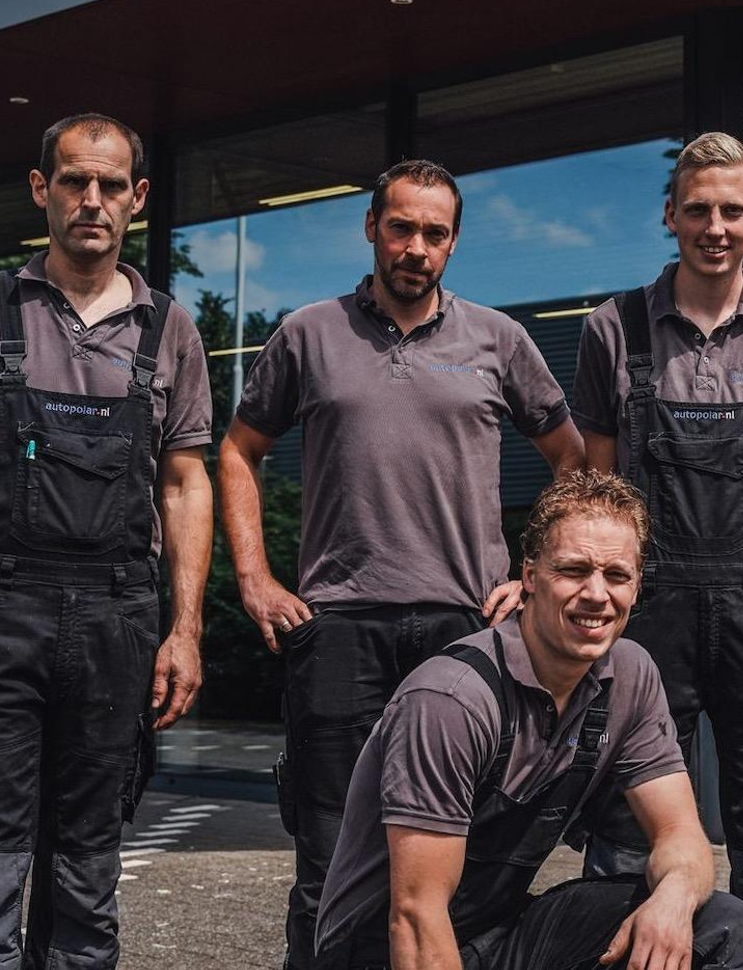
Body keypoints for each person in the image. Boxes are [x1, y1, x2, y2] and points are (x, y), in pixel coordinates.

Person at [219, 158, 585, 969]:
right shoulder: (309, 333)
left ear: (453, 243)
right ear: (372, 228)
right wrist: (254, 578)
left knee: (459, 863)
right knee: (328, 864)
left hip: (466, 631)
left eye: (434, 233)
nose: (416, 247)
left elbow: (572, 460)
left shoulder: (498, 340)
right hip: (338, 628)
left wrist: (531, 578)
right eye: (401, 228)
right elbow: (239, 449)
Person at [0, 113, 214, 968]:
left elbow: (186, 485)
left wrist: (185, 631)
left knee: (86, 881)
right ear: (43, 190)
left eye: (111, 185)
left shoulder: (169, 329)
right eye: (74, 181)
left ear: (138, 199)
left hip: (118, 621)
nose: (92, 200)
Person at [313, 470, 743, 970]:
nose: (596, 594)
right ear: (529, 576)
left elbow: (680, 833)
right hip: (380, 949)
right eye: (573, 570)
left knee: (719, 924)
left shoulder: (630, 676)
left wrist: (674, 899)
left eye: (617, 575)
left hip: (494, 933)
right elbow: (416, 917)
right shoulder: (451, 700)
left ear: (637, 586)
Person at [569, 132, 743, 970]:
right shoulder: (615, 328)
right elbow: (596, 484)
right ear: (670, 216)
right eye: (697, 210)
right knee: (624, 826)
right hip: (649, 610)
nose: (714, 227)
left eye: (731, 211)